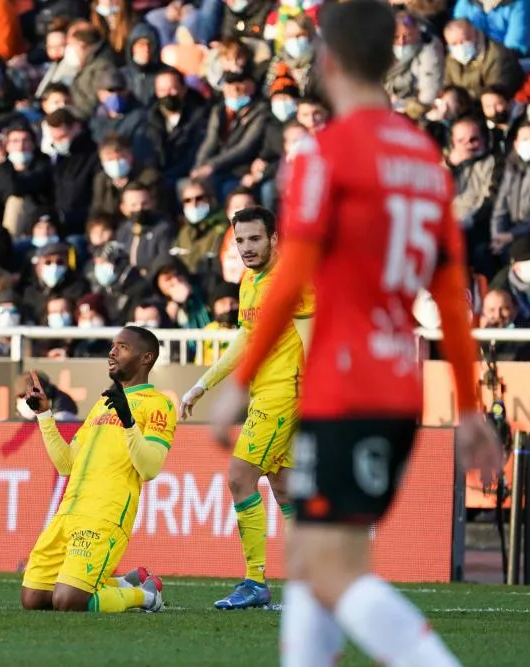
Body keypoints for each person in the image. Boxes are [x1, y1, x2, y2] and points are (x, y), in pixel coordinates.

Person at [210, 3, 503, 665]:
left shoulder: (325, 155)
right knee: (314, 562)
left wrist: (243, 376)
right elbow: (450, 298)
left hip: (346, 387)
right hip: (395, 385)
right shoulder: (426, 161)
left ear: (327, 62)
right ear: (392, 59)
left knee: (334, 570)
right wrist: (464, 403)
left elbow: (288, 281)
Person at [180, 206, 313, 609]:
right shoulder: (249, 282)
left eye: (256, 238)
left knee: (239, 477)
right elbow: (245, 340)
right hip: (266, 393)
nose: (247, 247)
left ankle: (255, 582)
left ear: (275, 239)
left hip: (287, 394)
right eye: (241, 240)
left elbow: (312, 339)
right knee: (285, 487)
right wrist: (203, 384)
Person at [20, 326, 174, 614]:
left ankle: (145, 596)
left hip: (105, 515)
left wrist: (128, 420)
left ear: (146, 358)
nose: (112, 351)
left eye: (123, 347)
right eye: (113, 345)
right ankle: (121, 584)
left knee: (68, 601)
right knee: (34, 599)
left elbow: (150, 468)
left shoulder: (159, 405)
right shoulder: (102, 404)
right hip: (68, 513)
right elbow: (66, 464)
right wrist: (44, 414)